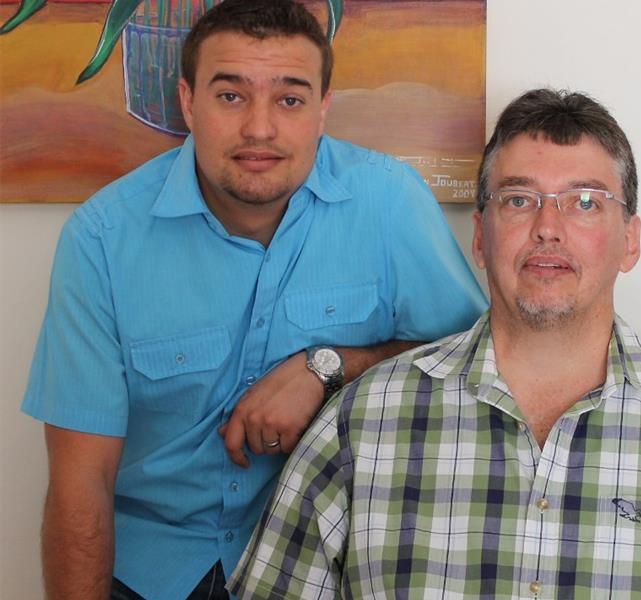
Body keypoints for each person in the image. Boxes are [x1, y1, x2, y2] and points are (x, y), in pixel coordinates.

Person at [229, 88, 641, 599]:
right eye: (519, 199)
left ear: (630, 241)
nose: (548, 226)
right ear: (480, 237)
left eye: (585, 201)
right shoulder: (360, 424)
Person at [21, 0, 487, 598]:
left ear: (323, 109)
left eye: (289, 99)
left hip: (335, 563)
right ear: (188, 102)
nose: (259, 129)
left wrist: (329, 367)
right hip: (154, 569)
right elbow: (80, 482)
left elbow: (475, 360)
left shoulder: (390, 201)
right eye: (231, 96)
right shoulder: (102, 240)